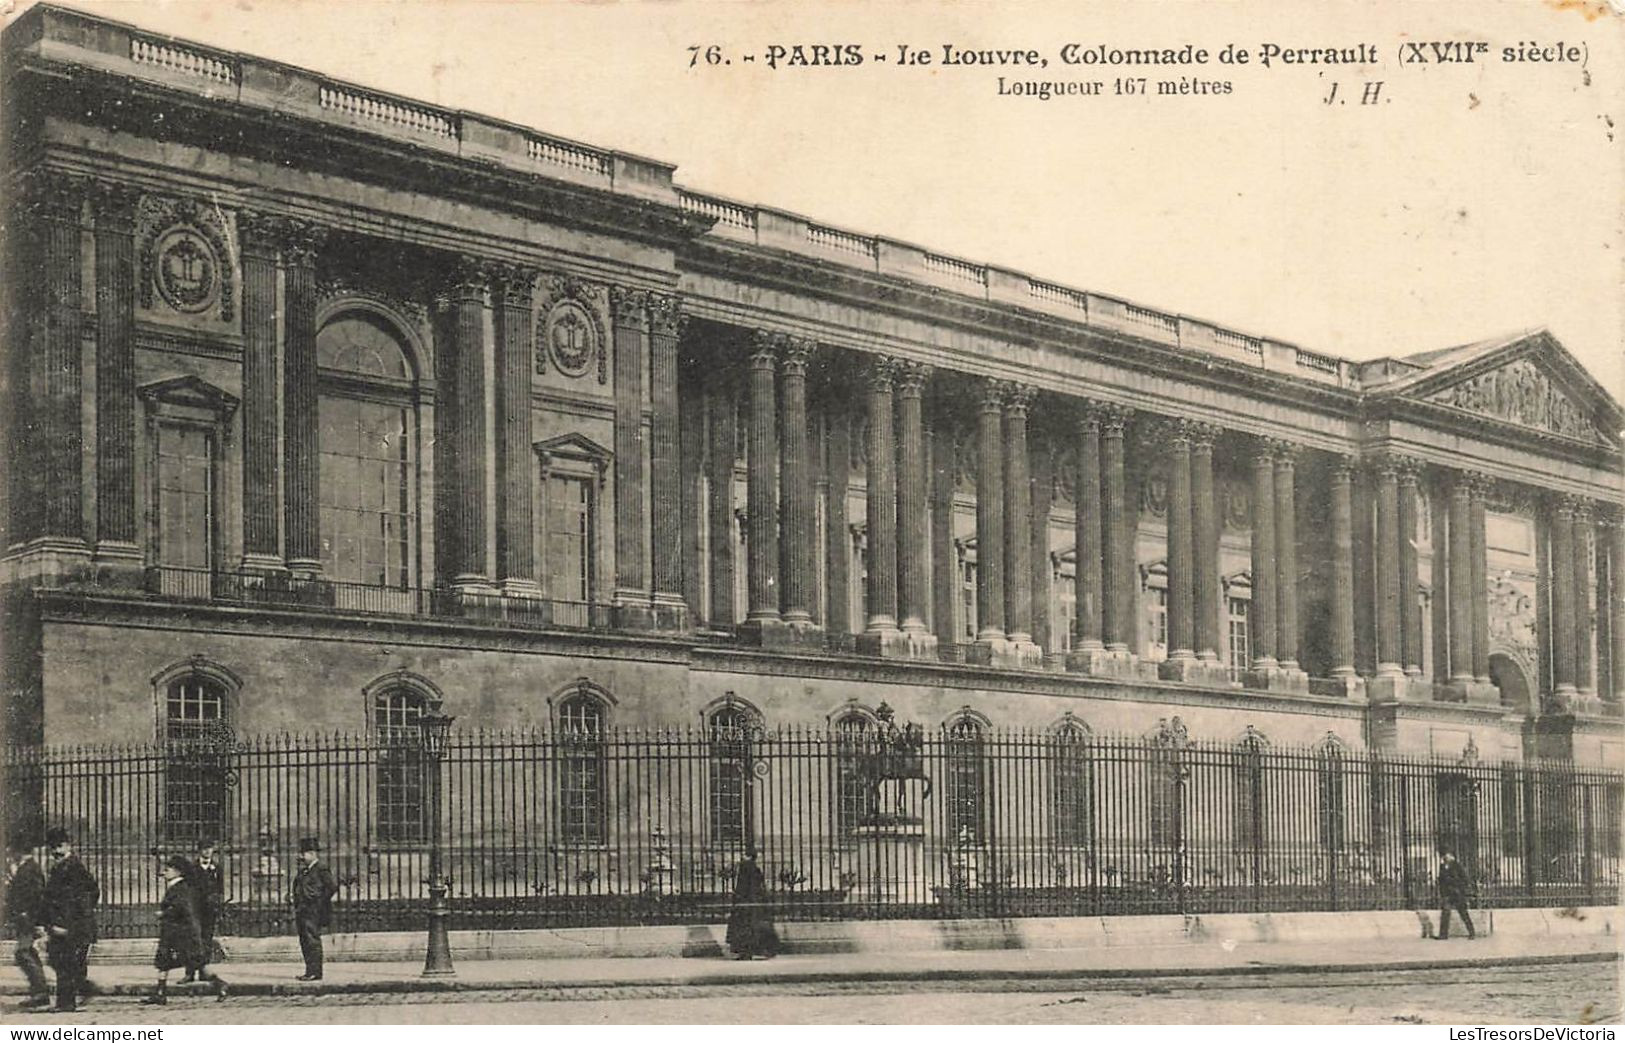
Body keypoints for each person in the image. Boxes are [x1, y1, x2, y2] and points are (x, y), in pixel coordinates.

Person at [145, 855, 227, 1005]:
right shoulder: (178, 887)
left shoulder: (181, 888)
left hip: (181, 934)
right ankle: (160, 993)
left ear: (178, 872)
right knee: (164, 961)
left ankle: (220, 985)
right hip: (174, 932)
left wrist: (164, 913)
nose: (165, 872)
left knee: (193, 963)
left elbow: (183, 909)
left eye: (168, 869)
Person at [40, 827, 98, 1014]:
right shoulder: (60, 866)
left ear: (67, 845)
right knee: (60, 961)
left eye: (58, 846)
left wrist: (68, 924)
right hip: (59, 923)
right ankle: (80, 990)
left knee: (65, 962)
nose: (54, 851)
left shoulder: (74, 867)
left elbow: (88, 895)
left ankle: (66, 1003)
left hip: (68, 925)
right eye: (52, 848)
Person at [5, 838, 50, 1009]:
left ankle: (40, 993)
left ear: (18, 851)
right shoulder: (27, 867)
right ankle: (39, 991)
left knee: (23, 953)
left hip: (28, 918)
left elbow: (36, 894)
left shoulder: (30, 868)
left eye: (11, 851)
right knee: (26, 952)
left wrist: (28, 914)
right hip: (25, 918)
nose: (10, 855)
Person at [289, 837, 337, 981]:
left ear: (312, 854)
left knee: (312, 940)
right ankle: (309, 971)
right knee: (305, 940)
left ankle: (315, 972)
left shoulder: (321, 869)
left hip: (313, 911)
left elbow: (331, 887)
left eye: (303, 854)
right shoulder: (304, 871)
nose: (301, 857)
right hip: (303, 910)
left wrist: (319, 902)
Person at [181, 840, 225, 982]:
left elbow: (220, 890)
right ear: (199, 850)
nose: (207, 851)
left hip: (209, 910)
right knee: (192, 940)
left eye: (209, 848)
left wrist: (218, 905)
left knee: (206, 940)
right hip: (195, 909)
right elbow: (187, 888)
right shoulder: (192, 868)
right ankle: (190, 973)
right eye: (204, 849)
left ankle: (203, 971)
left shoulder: (217, 868)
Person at [725, 849, 778, 960]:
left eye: (744, 854)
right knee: (753, 928)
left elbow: (745, 888)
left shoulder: (746, 868)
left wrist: (739, 899)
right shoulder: (753, 869)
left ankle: (746, 952)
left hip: (746, 903)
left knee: (745, 928)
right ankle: (755, 951)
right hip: (753, 903)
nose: (741, 857)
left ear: (748, 856)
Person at [1435, 850, 1477, 941]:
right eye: (1443, 856)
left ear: (1451, 855)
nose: (1444, 857)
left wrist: (1459, 888)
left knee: (1463, 913)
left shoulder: (1457, 866)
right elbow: (1441, 880)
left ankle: (1472, 932)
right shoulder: (1442, 866)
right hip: (1447, 894)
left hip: (1457, 893)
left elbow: (1465, 879)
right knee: (1445, 913)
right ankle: (1443, 935)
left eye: (1446, 855)